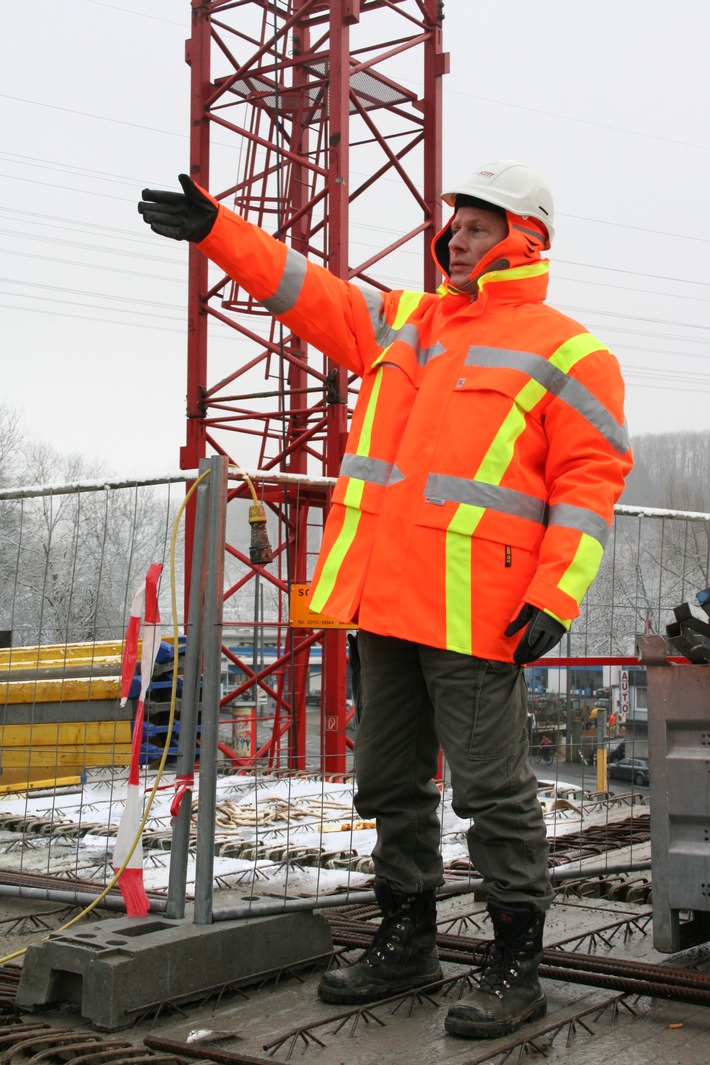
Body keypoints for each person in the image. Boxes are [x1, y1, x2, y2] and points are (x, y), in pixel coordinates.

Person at [138, 161, 633, 1040]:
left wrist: (556, 595)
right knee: (386, 784)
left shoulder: (571, 352)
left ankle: (516, 959)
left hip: (480, 614)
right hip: (382, 603)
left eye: (478, 226)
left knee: (493, 791)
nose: (458, 239)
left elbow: (589, 485)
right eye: (457, 226)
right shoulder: (410, 321)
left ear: (525, 237)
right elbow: (308, 291)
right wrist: (219, 229)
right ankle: (406, 935)